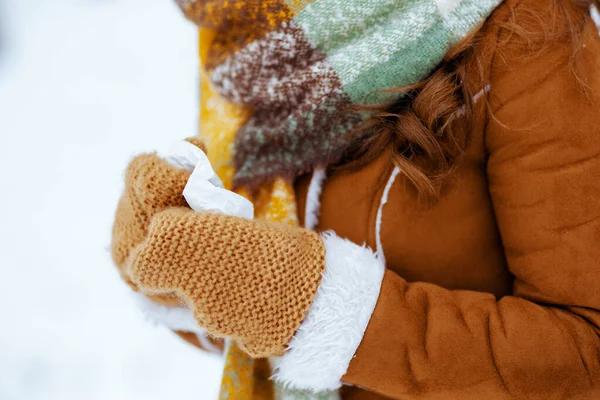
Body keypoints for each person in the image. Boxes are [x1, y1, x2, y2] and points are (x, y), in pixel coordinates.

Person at [111, 0, 600, 398]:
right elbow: (265, 336)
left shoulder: (532, 29)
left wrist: (317, 307)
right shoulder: (250, 46)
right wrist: (179, 272)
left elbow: (585, 357)